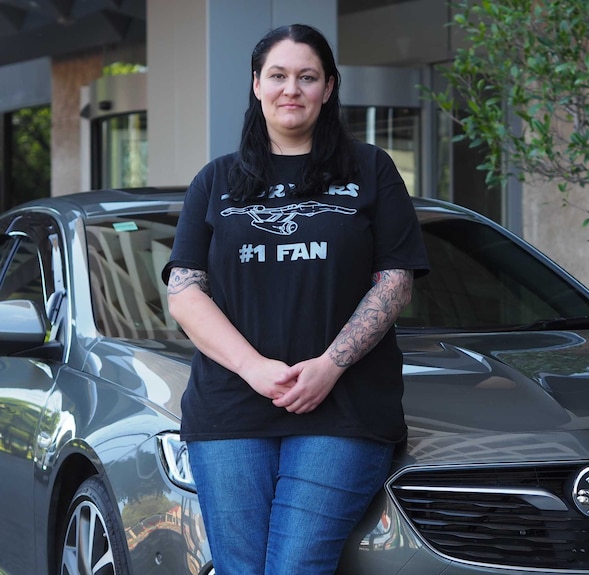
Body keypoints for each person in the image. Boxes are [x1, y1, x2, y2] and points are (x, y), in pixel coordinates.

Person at [162, 23, 429, 575]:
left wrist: (330, 366)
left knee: (296, 566)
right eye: (278, 76)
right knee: (240, 568)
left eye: (307, 77)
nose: (292, 89)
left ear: (329, 87)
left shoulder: (371, 170)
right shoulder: (215, 182)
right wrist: (255, 368)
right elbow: (185, 292)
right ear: (256, 84)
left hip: (343, 406)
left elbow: (395, 282)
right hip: (231, 409)